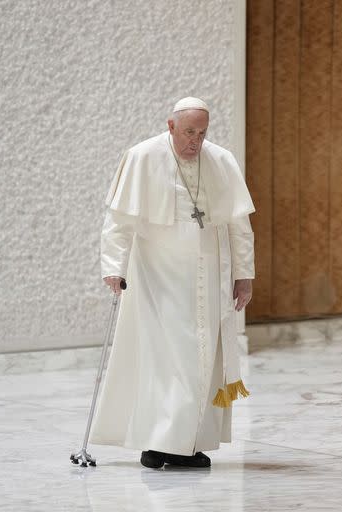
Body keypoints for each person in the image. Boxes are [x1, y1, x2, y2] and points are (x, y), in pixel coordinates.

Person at [89, 97, 255, 469]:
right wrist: (113, 267)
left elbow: (239, 226)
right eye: (187, 133)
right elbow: (118, 221)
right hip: (156, 276)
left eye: (201, 133)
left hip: (208, 276)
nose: (195, 141)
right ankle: (158, 443)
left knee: (202, 359)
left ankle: (191, 444)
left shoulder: (222, 160)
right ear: (170, 127)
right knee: (165, 360)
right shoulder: (142, 157)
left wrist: (244, 276)